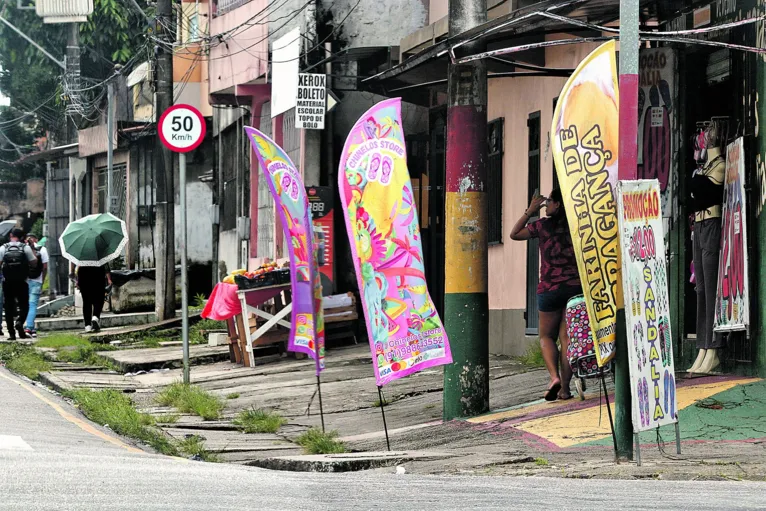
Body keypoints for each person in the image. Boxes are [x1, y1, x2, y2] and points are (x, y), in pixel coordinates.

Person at [510, 189, 582, 401]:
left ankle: (554, 378)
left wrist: (530, 211)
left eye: (549, 201)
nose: (546, 205)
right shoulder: (576, 225)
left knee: (546, 337)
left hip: (550, 289)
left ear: (558, 204)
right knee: (567, 339)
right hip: (575, 288)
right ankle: (566, 389)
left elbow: (514, 234)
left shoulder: (541, 226)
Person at [0, 229, 38, 340]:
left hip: (7, 282)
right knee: (24, 306)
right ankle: (20, 322)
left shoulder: (3, 248)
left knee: (8, 307)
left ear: (11, 235)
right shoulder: (25, 247)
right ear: (22, 237)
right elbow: (34, 263)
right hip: (22, 281)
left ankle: (11, 334)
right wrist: (32, 247)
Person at [24, 233, 48, 338]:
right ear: (36, 240)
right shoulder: (42, 249)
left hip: (25, 281)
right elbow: (45, 267)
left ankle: (31, 328)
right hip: (37, 281)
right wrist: (42, 280)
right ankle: (29, 327)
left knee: (27, 305)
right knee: (32, 305)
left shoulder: (24, 249)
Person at [76, 264, 111, 333]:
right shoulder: (100, 253)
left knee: (86, 302)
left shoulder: (83, 254)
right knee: (99, 298)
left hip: (83, 274)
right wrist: (109, 279)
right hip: (98, 273)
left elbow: (79, 264)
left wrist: (78, 280)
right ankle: (95, 316)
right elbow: (106, 265)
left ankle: (87, 326)